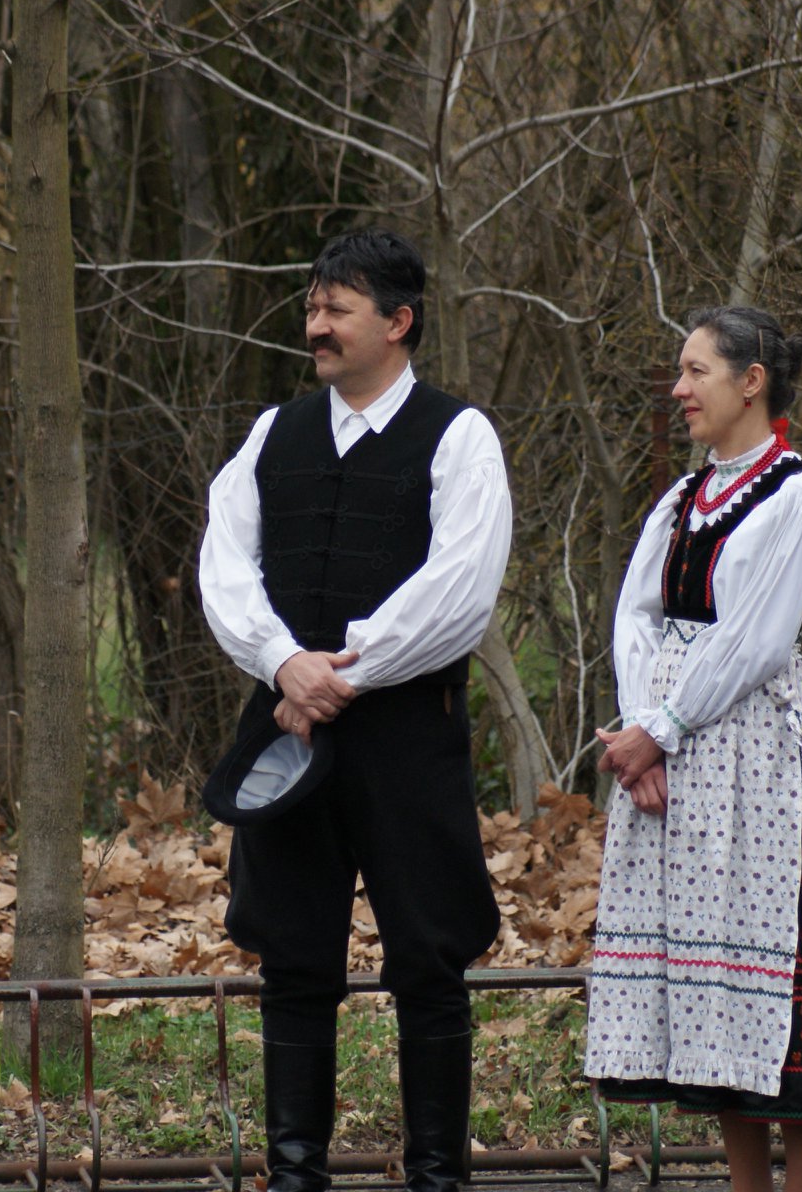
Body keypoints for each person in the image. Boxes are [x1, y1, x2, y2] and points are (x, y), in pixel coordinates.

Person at [199, 228, 512, 1192]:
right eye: (312, 307)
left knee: (429, 960)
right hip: (287, 731)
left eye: (336, 308)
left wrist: (344, 674)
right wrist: (283, 663)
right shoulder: (273, 433)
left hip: (408, 737)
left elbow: (461, 587)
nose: (315, 326)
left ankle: (436, 1180)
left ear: (398, 321)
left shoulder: (459, 437)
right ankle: (295, 1177)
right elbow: (225, 564)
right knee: (293, 961)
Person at [583, 308, 802, 1192]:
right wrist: (642, 728)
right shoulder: (682, 498)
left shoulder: (798, 497)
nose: (679, 389)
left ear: (751, 382)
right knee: (707, 982)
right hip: (674, 756)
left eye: (696, 371)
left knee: (780, 980)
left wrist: (660, 732)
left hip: (754, 760)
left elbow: (754, 640)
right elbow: (636, 613)